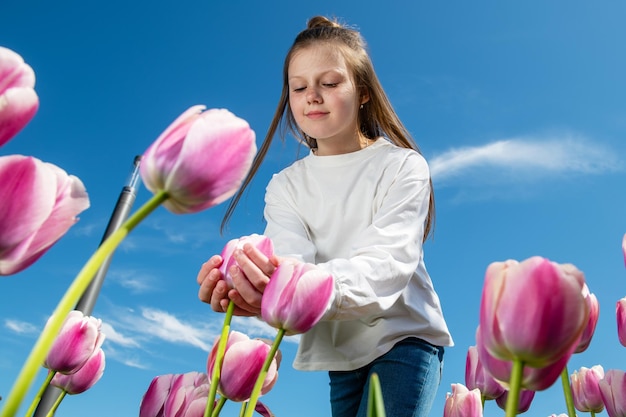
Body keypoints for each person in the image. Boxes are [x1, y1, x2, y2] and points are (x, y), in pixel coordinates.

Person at [197, 15, 453, 417]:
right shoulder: (285, 186)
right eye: (299, 87)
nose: (312, 95)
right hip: (339, 353)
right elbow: (291, 261)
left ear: (362, 93)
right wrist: (255, 288)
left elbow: (387, 264)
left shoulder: (403, 166)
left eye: (329, 83)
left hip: (403, 338)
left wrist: (293, 292)